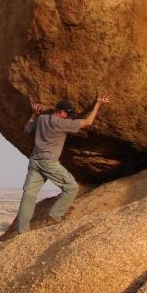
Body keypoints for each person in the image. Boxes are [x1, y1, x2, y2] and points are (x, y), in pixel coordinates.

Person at [15, 93, 112, 234]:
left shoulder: (41, 118)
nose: (68, 116)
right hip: (49, 161)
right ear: (61, 112)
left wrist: (34, 114)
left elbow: (27, 129)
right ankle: (55, 214)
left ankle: (22, 230)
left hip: (35, 161)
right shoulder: (61, 123)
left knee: (29, 194)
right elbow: (88, 122)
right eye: (67, 114)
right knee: (71, 187)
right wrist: (98, 104)